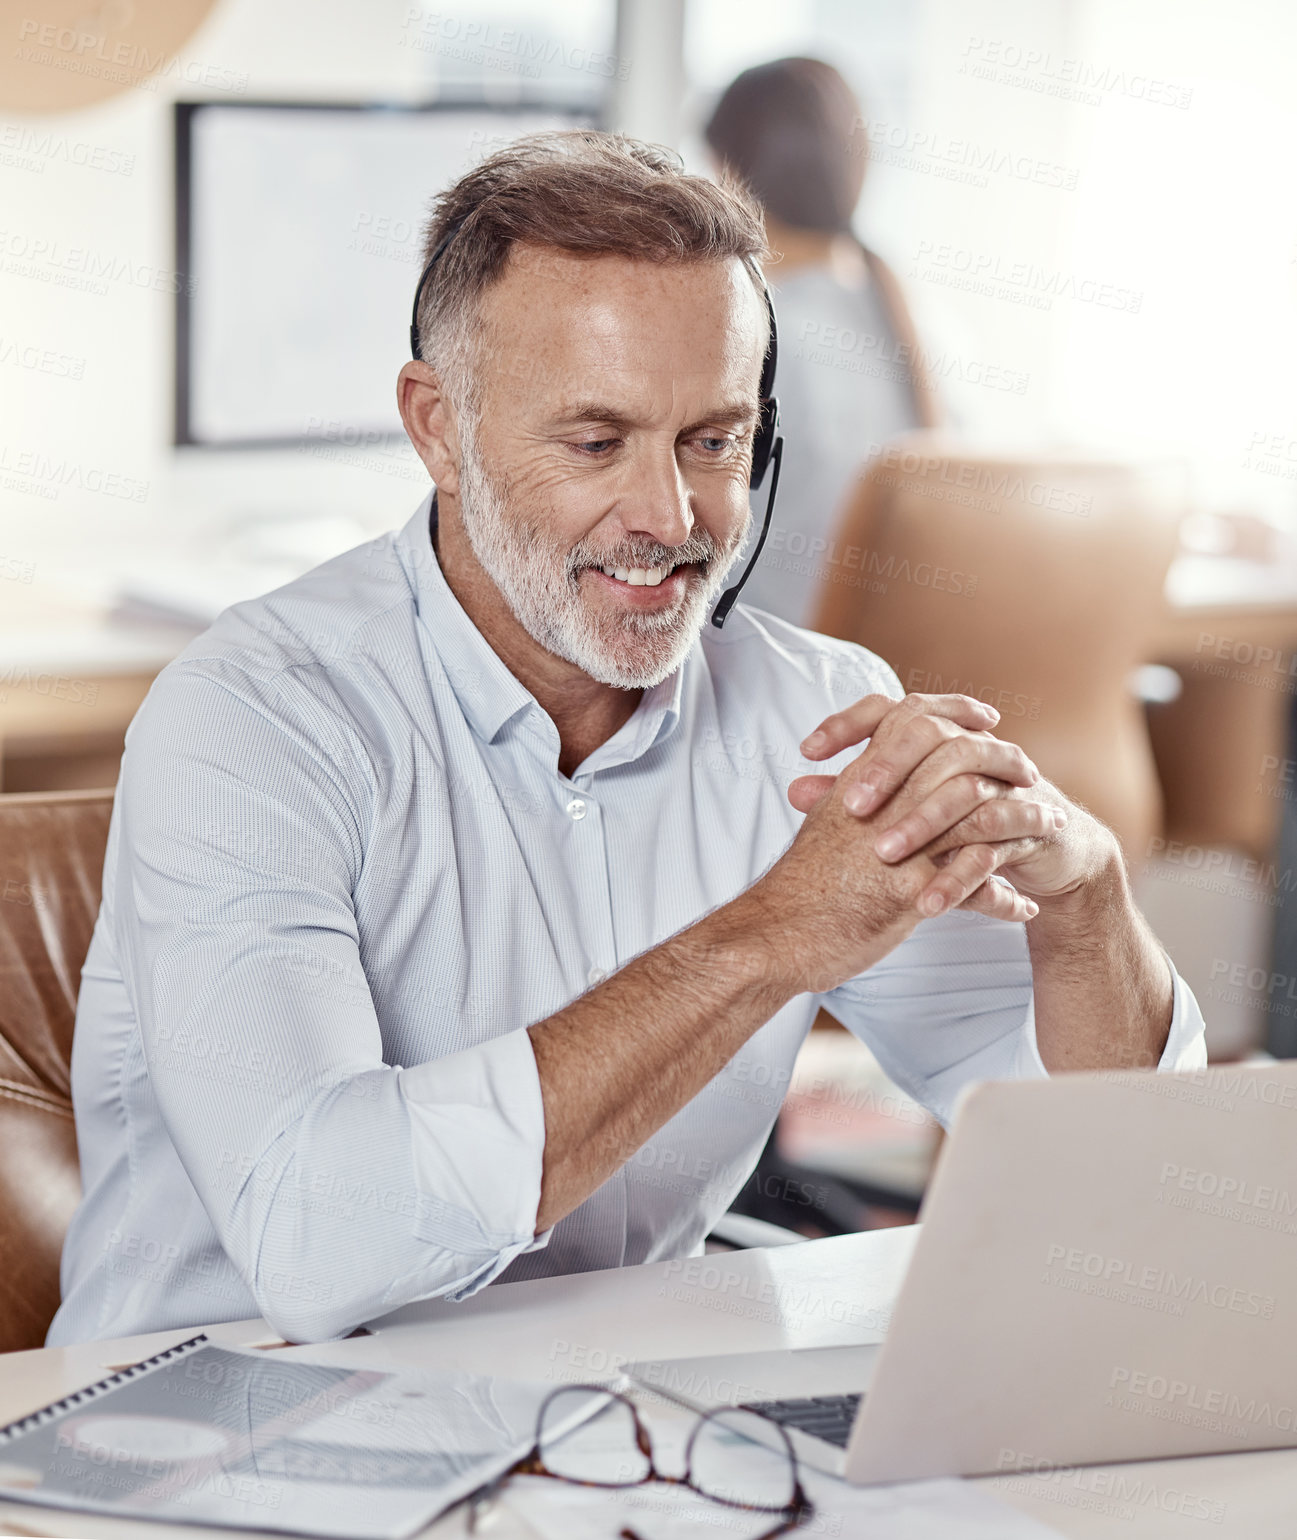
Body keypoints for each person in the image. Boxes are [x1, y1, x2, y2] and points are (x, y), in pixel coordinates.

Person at [49, 132, 1204, 1349]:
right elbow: (315, 1244)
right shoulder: (253, 718)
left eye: (713, 442)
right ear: (438, 427)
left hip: (620, 1444)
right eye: (595, 444)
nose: (668, 517)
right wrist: (767, 940)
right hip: (207, 1448)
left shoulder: (809, 716)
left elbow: (1113, 1183)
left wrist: (1088, 911)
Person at [704, 57, 938, 626]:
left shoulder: (751, 337)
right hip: (873, 673)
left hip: (762, 670)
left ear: (731, 179)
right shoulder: (919, 322)